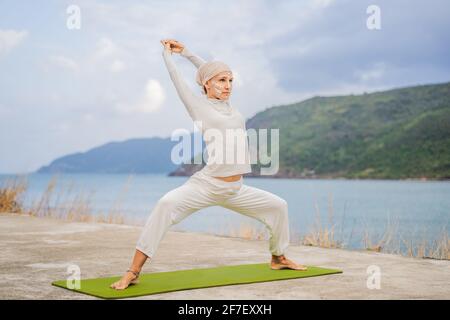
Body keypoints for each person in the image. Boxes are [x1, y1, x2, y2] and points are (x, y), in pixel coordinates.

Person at [110, 39, 307, 290]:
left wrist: (188, 53)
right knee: (165, 206)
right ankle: (133, 271)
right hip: (208, 185)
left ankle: (278, 257)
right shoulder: (198, 105)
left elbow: (209, 71)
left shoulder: (228, 106)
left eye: (230, 80)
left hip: (235, 188)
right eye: (222, 81)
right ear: (206, 84)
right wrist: (170, 56)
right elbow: (182, 79)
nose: (228, 86)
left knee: (279, 206)